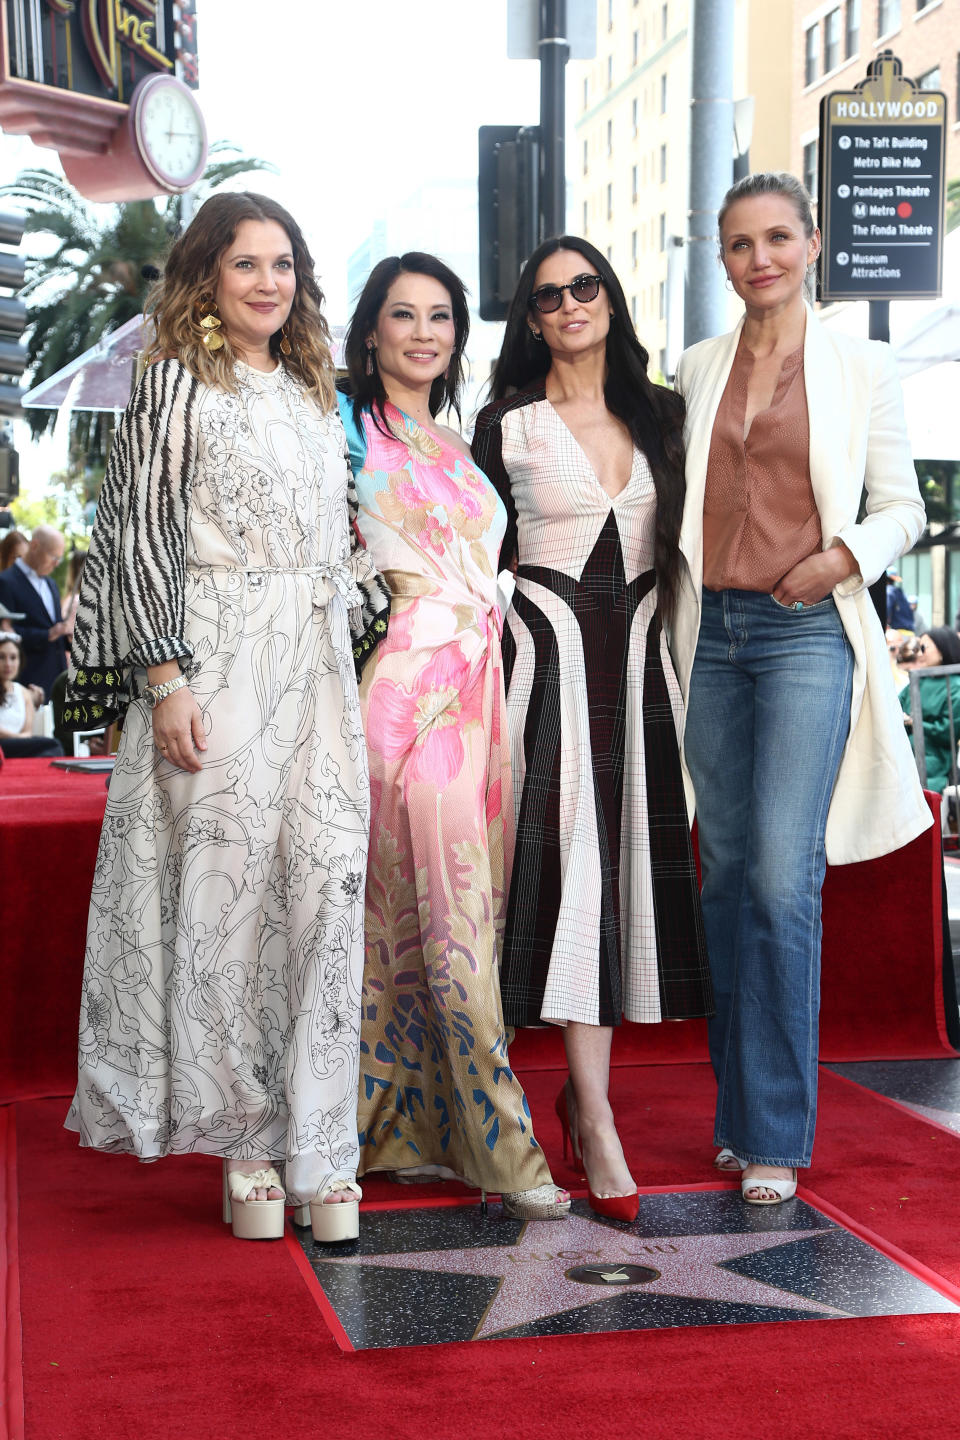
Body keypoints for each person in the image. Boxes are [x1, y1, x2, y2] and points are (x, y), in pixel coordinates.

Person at [61, 192, 389, 1244]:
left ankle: (321, 1143)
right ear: (204, 276)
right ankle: (246, 1142)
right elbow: (138, 539)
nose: (268, 281)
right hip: (218, 665)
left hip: (319, 673)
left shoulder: (307, 390)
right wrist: (165, 682)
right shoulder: (169, 386)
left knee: (326, 898)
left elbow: (338, 540)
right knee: (232, 908)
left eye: (282, 262)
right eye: (245, 263)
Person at [672, 172, 930, 1205]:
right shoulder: (695, 366)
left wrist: (842, 557)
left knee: (782, 878)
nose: (760, 258)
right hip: (709, 636)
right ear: (722, 257)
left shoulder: (862, 363)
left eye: (778, 237)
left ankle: (774, 1130)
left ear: (813, 245)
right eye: (740, 243)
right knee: (725, 877)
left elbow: (902, 506)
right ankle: (742, 1115)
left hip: (805, 633)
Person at [472, 237, 712, 1222]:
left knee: (620, 885)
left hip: (647, 681)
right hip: (545, 677)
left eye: (587, 287)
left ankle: (582, 1095)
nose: (571, 304)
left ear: (612, 301)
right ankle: (596, 1113)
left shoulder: (665, 416)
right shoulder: (507, 425)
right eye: (549, 295)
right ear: (531, 319)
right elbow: (466, 551)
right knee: (570, 875)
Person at [338, 253, 570, 1220]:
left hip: (481, 692)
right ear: (372, 332)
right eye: (404, 315)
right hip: (403, 691)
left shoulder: (457, 440)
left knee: (430, 908)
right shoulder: (343, 430)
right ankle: (502, 1143)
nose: (424, 332)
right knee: (436, 915)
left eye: (440, 316)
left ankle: (398, 1127)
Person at [0, 526, 72, 699]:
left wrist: (68, 636)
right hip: (28, 681)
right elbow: (6, 634)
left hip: (59, 680)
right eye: (53, 556)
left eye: (59, 559)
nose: (56, 564)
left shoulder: (51, 584)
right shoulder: (6, 582)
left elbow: (56, 630)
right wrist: (47, 634)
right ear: (34, 546)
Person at [900, 626, 960, 800]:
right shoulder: (918, 680)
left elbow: (949, 731)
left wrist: (914, 723)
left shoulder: (955, 685)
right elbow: (895, 707)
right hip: (903, 756)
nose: (919, 654)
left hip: (934, 763)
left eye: (924, 648)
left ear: (943, 650)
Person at [0, 632, 63, 757]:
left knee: (53, 746)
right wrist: (17, 738)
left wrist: (18, 740)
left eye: (13, 658)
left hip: (18, 746)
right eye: (1, 657)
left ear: (20, 661)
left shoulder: (24, 693)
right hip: (5, 745)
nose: (8, 664)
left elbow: (27, 733)